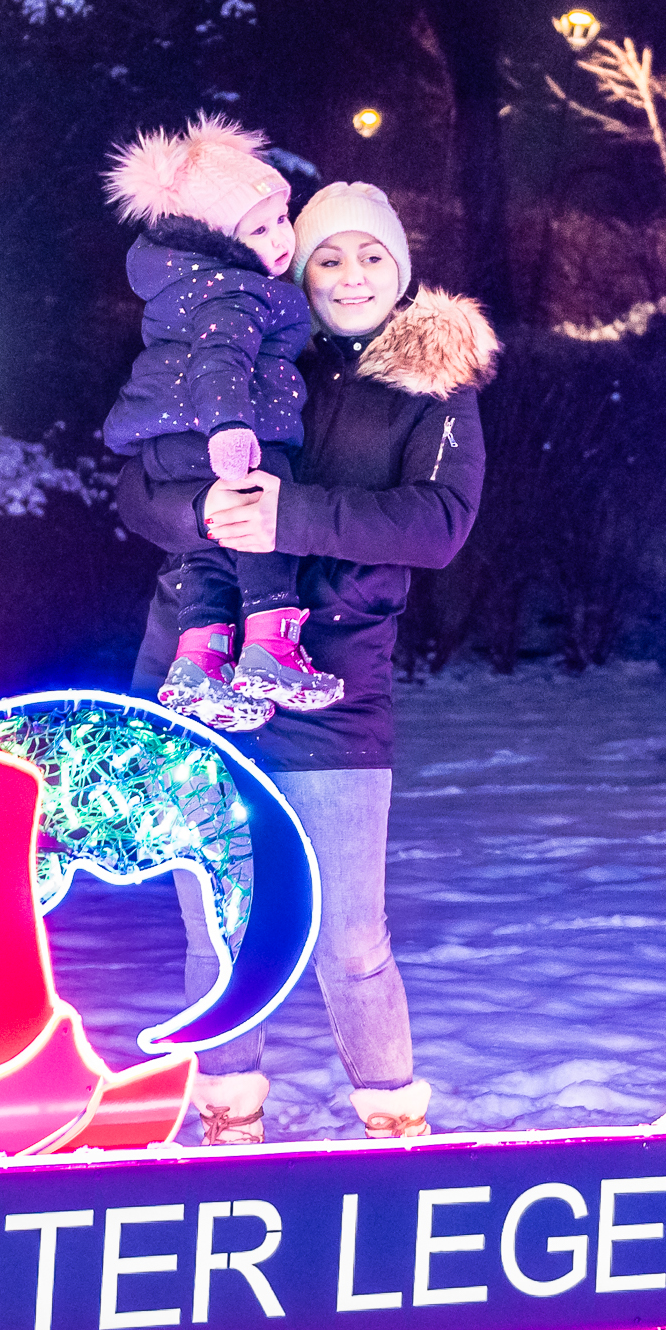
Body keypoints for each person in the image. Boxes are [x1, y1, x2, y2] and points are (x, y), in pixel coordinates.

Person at [114, 180, 493, 1144]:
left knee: (350, 936)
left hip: (334, 687)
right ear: (297, 265)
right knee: (217, 928)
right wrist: (198, 512)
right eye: (329, 255)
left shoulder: (433, 379)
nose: (351, 274)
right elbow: (136, 485)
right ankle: (228, 1116)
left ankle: (392, 1117)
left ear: (400, 271)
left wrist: (296, 515)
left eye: (372, 256)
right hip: (196, 676)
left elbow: (440, 523)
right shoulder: (236, 341)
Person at [98, 115, 341, 729]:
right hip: (229, 430)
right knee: (262, 525)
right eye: (257, 229)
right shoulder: (235, 292)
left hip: (171, 441)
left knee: (204, 545)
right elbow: (221, 360)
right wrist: (232, 429)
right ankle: (270, 648)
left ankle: (199, 661)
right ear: (222, 242)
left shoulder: (183, 287)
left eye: (281, 218)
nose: (280, 237)